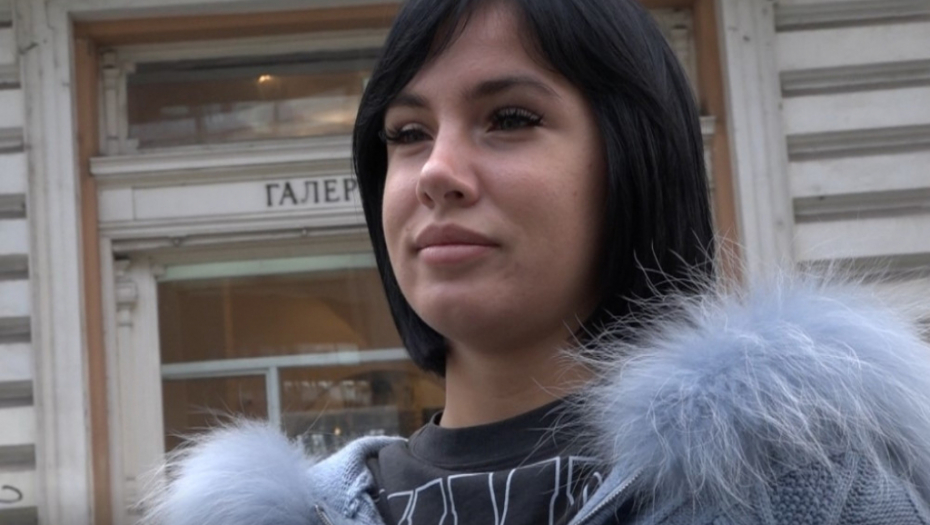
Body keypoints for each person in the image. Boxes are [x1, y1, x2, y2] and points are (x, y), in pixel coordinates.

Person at [142, 0, 930, 524]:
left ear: (633, 158)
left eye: (510, 118)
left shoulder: (810, 493)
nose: (436, 170)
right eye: (408, 133)